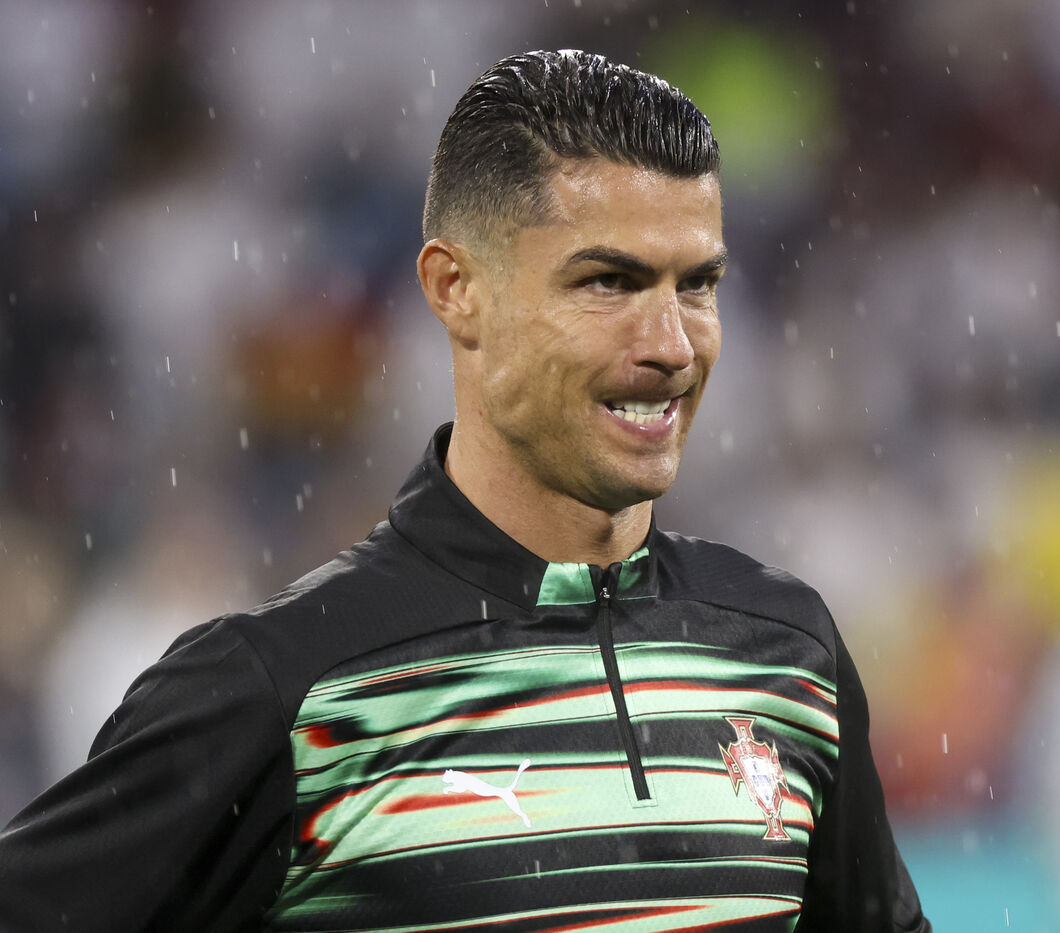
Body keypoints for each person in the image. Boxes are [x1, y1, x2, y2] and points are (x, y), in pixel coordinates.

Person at [0, 50, 929, 932]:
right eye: (610, 281)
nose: (672, 345)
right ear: (456, 289)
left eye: (698, 284)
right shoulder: (285, 691)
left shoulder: (788, 652)